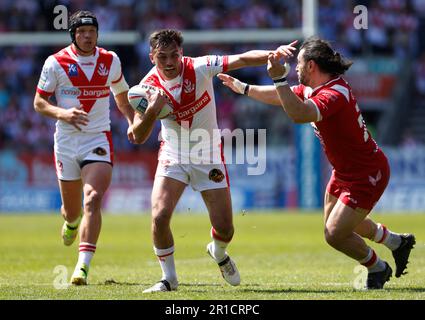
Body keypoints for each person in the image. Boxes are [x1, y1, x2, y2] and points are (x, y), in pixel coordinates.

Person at [218, 37, 415, 290]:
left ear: (311, 65)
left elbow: (299, 114)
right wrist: (243, 88)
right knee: (338, 225)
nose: (295, 68)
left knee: (335, 234)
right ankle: (396, 243)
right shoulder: (315, 88)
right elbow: (282, 97)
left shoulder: (335, 93)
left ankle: (377, 267)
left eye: (298, 64)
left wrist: (278, 78)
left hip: (367, 173)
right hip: (345, 172)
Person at [132, 29, 276, 292]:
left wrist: (271, 54)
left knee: (225, 228)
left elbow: (241, 59)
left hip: (208, 155)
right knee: (160, 216)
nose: (169, 62)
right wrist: (153, 108)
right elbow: (136, 135)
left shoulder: (200, 67)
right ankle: (169, 279)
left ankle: (218, 253)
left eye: (173, 55)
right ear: (152, 57)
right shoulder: (145, 89)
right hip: (173, 155)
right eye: (162, 56)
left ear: (181, 53)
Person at [33, 10, 134, 285]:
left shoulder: (110, 60)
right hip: (66, 142)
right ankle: (71, 222)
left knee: (93, 199)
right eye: (81, 32)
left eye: (91, 32)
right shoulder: (55, 63)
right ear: (73, 35)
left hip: (97, 138)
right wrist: (62, 114)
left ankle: (82, 267)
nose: (87, 36)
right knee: (72, 210)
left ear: (98, 34)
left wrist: (133, 122)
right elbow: (39, 103)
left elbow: (122, 99)